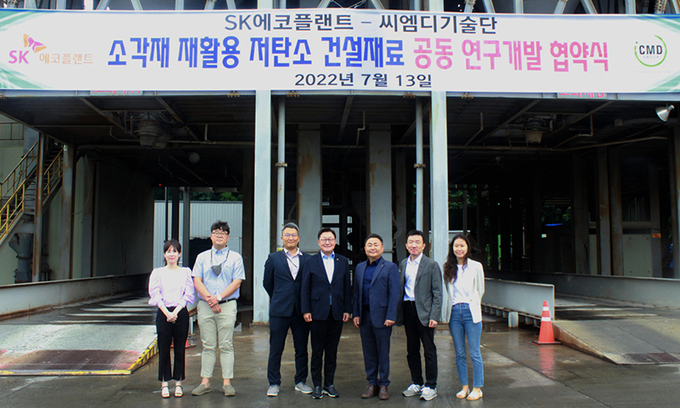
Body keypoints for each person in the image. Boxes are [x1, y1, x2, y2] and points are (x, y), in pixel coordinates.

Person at [191, 220, 245, 397]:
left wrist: (218, 298)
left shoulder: (235, 258)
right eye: (216, 232)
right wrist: (210, 299)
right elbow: (197, 280)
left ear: (228, 237)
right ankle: (205, 382)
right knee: (208, 345)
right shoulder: (202, 257)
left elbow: (237, 282)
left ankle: (227, 383)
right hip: (205, 305)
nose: (219, 235)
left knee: (226, 345)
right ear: (211, 236)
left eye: (223, 233)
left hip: (227, 305)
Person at [300, 227, 352, 399]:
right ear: (318, 242)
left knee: (332, 351)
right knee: (317, 351)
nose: (327, 242)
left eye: (330, 239)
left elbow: (347, 286)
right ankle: (316, 384)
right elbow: (305, 287)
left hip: (337, 312)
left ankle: (329, 384)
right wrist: (306, 309)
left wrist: (347, 309)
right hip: (317, 313)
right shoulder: (310, 261)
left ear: (335, 242)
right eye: (324, 239)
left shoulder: (342, 261)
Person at [263, 222, 312, 397]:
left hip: (301, 310)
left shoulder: (307, 259)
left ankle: (300, 381)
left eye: (294, 235)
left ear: (298, 238)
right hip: (279, 310)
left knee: (301, 348)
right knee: (276, 348)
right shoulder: (273, 258)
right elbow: (267, 283)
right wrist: (280, 297)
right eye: (287, 235)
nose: (290, 238)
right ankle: (274, 383)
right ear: (282, 238)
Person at [353, 233, 400, 400]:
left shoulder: (390, 267)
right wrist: (356, 314)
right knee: (369, 352)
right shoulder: (360, 267)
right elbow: (356, 292)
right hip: (364, 316)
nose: (372, 248)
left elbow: (394, 293)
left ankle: (384, 384)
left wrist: (391, 315)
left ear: (382, 248)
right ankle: (371, 383)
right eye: (369, 245)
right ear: (365, 248)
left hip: (382, 317)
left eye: (376, 244)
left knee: (383, 352)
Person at [397, 230, 442, 401]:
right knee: (412, 349)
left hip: (425, 312)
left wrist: (435, 315)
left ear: (424, 246)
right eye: (410, 242)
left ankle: (431, 385)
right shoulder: (403, 263)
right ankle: (417, 382)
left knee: (429, 349)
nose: (413, 245)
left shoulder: (431, 265)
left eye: (417, 242)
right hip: (408, 309)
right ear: (406, 245)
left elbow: (438, 293)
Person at [148, 239, 195, 398]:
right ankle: (164, 383)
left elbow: (188, 294)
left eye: (175, 251)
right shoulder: (158, 273)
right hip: (163, 312)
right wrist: (167, 313)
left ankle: (178, 383)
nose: (171, 254)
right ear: (164, 254)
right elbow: (155, 294)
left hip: (180, 312)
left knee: (180, 349)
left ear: (179, 254)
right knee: (164, 348)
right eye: (168, 251)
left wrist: (175, 311)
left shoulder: (186, 272)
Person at [442, 234, 485, 401]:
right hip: (454, 313)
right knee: (459, 352)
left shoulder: (476, 266)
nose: (459, 249)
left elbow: (480, 289)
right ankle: (464, 386)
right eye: (456, 246)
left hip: (470, 311)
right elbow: (448, 291)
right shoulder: (448, 267)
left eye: (462, 246)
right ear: (452, 248)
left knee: (474, 352)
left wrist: (473, 304)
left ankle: (477, 388)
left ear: (467, 248)